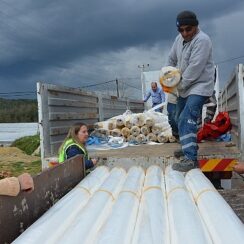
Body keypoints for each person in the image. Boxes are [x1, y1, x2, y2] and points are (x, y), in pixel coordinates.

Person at [167, 10, 215, 171]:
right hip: (184, 87)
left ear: (196, 26)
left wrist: (177, 85)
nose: (185, 33)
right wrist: (167, 74)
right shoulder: (179, 39)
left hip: (199, 86)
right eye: (181, 30)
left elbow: (194, 69)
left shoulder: (203, 40)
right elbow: (171, 59)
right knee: (177, 117)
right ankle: (187, 146)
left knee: (187, 117)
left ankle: (191, 158)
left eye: (189, 29)